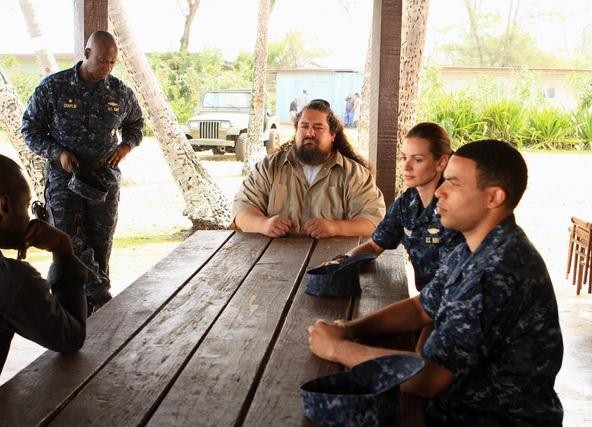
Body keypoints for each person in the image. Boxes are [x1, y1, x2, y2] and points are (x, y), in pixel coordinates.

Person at [308, 140, 563, 425]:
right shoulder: (474, 246)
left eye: (453, 183)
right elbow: (421, 308)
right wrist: (351, 329)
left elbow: (431, 377)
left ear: (494, 198)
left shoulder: (499, 269)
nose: (440, 191)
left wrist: (336, 349)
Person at [0, 151, 87, 420]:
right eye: (26, 207)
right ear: (4, 207)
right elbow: (70, 337)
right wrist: (62, 249)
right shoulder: (7, 279)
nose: (29, 217)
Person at [22, 30, 144, 315]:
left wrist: (126, 146)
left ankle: (95, 309)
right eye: (102, 60)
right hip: (66, 179)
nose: (107, 68)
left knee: (101, 245)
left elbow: (136, 125)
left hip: (103, 180)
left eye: (112, 63)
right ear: (87, 53)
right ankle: (92, 296)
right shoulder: (54, 87)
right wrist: (58, 152)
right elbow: (30, 129)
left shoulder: (120, 92)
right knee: (66, 238)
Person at [331, 122, 461, 291]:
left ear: (441, 162)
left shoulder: (456, 208)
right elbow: (375, 245)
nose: (406, 167)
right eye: (403, 157)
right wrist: (342, 261)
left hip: (452, 304)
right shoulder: (407, 202)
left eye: (418, 160)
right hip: (427, 303)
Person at [232, 99, 386, 239]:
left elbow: (374, 222)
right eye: (304, 126)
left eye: (318, 128)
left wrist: (335, 227)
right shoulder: (268, 167)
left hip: (331, 262)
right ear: (296, 131)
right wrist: (263, 225)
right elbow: (241, 210)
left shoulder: (355, 175)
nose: (309, 133)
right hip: (271, 261)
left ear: (332, 135)